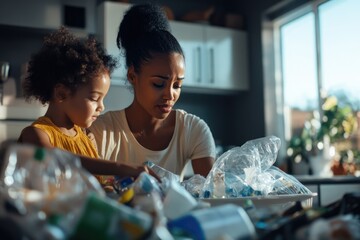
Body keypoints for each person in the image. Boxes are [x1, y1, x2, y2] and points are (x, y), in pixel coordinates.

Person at [17, 26, 158, 187]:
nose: (101, 107)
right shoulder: (35, 134)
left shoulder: (84, 137)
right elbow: (58, 159)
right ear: (61, 94)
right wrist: (124, 168)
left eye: (102, 99)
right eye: (94, 99)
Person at [89, 3, 216, 177]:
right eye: (158, 84)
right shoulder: (101, 131)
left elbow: (213, 195)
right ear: (133, 76)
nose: (170, 95)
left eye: (177, 85)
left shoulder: (193, 130)